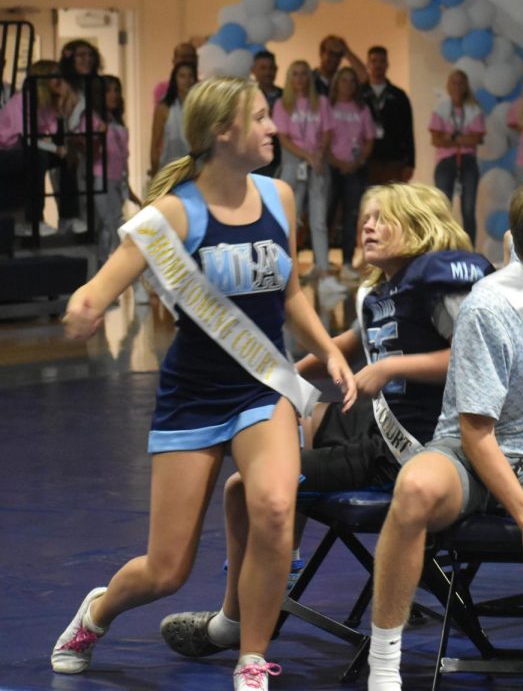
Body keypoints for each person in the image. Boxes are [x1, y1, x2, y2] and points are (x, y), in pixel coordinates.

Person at [51, 75, 357, 690]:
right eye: (262, 117)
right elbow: (104, 286)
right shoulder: (174, 213)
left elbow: (290, 290)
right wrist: (84, 307)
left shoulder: (279, 198)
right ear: (224, 132)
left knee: (274, 508)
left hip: (260, 390)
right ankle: (97, 611)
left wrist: (327, 347)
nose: (276, 128)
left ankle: (251, 659)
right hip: (192, 399)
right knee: (167, 570)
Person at [158, 182, 493, 659]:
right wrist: (277, 381)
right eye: (366, 216)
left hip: (416, 453)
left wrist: (392, 367)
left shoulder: (441, 280)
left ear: (418, 224)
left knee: (243, 487)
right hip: (375, 435)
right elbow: (346, 348)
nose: (368, 226)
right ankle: (270, 584)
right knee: (291, 425)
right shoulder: (383, 290)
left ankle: (238, 618)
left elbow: (476, 356)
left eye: (382, 217)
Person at [366, 175, 523, 691]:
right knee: (414, 488)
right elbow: (476, 434)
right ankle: (384, 670)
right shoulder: (489, 306)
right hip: (467, 454)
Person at [274, 60, 338, 299]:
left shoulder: (320, 103)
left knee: (319, 220)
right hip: (294, 165)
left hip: (318, 164)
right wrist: (307, 156)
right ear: (290, 78)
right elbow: (283, 138)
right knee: (291, 219)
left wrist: (318, 153)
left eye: (304, 74)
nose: (300, 79)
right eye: (295, 74)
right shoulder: (283, 104)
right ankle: (287, 272)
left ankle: (323, 271)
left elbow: (328, 131)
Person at [0, 59, 71, 237]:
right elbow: (27, 136)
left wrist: (66, 99)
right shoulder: (22, 100)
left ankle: (68, 216)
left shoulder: (47, 103)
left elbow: (53, 130)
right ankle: (34, 219)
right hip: (7, 148)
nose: (59, 81)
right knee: (38, 157)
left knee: (68, 159)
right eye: (54, 76)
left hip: (24, 147)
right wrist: (56, 149)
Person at [326, 67, 375, 280]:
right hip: (330, 167)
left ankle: (346, 261)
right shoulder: (326, 106)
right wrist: (334, 160)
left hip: (355, 169)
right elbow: (321, 138)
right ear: (336, 83)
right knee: (325, 215)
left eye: (351, 81)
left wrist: (358, 161)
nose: (348, 84)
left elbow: (369, 138)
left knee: (351, 216)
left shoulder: (362, 108)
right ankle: (323, 261)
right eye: (343, 80)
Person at [430, 69, 484, 245]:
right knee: (443, 207)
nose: (457, 86)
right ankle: (442, 247)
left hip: (468, 162)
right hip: (445, 162)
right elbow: (436, 140)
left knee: (468, 209)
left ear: (466, 86)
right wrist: (462, 139)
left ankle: (469, 250)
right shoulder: (441, 108)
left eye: (461, 82)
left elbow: (476, 139)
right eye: (453, 82)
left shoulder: (474, 110)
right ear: (448, 85)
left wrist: (450, 137)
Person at [58, 39, 105, 234]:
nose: (87, 60)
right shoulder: (65, 86)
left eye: (90, 55)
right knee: (74, 200)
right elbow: (62, 118)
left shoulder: (97, 84)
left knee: (95, 204)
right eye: (81, 55)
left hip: (94, 150)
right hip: (72, 148)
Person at [362, 45, 415, 184]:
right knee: (369, 202)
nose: (378, 65)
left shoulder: (399, 95)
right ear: (368, 64)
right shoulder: (360, 94)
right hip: (366, 160)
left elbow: (408, 129)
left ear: (387, 65)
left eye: (381, 61)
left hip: (394, 159)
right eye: (374, 61)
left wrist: (410, 162)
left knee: (392, 203)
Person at [94, 75, 129, 262]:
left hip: (117, 180)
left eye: (116, 90)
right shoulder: (96, 121)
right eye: (108, 91)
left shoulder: (117, 122)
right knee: (113, 226)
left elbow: (123, 156)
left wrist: (127, 185)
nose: (114, 95)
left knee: (109, 230)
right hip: (102, 177)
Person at [150, 61, 197, 177]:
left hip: (195, 169)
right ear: (174, 80)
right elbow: (154, 144)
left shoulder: (201, 107)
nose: (187, 80)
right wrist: (155, 173)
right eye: (182, 76)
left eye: (190, 76)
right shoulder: (164, 107)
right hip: (169, 168)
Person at [251, 50, 283, 178]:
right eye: (263, 68)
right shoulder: (248, 98)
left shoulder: (286, 96)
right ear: (253, 70)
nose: (267, 72)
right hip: (255, 158)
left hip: (281, 159)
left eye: (271, 68)